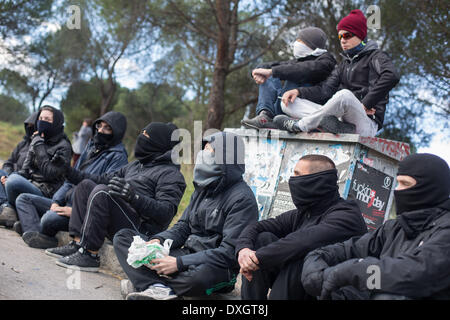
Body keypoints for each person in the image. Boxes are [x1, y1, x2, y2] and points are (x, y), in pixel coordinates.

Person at [114, 132, 258, 300]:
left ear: (224, 157)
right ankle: (158, 288)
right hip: (186, 254)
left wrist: (178, 264)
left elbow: (228, 253)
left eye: (208, 150)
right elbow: (183, 227)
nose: (202, 154)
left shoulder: (242, 199)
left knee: (199, 278)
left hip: (215, 269)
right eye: (203, 149)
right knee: (123, 238)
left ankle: (147, 284)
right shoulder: (204, 186)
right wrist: (159, 240)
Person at [301, 153, 450, 300]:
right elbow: (350, 249)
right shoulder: (394, 228)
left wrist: (349, 272)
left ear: (430, 189)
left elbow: (416, 275)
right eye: (397, 182)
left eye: (405, 184)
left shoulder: (445, 229)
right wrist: (316, 261)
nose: (397, 190)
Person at [45, 122, 186, 273]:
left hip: (140, 231)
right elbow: (101, 179)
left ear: (158, 143)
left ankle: (89, 255)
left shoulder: (171, 175)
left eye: (146, 136)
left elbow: (166, 212)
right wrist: (66, 169)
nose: (140, 138)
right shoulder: (135, 166)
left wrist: (134, 197)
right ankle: (78, 243)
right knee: (86, 185)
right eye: (141, 133)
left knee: (102, 192)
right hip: (121, 219)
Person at [236, 154, 367, 300]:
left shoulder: (346, 216)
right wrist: (244, 250)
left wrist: (256, 259)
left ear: (317, 181)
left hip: (337, 292)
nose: (291, 180)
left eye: (297, 175)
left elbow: (302, 242)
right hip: (308, 286)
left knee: (300, 257)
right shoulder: (305, 213)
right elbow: (257, 227)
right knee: (262, 239)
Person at [274, 9, 400, 136]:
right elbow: (324, 90)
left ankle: (300, 125)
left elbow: (391, 76)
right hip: (340, 121)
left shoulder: (376, 56)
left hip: (367, 123)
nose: (342, 40)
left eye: (347, 35)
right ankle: (337, 126)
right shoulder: (344, 64)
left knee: (344, 95)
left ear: (360, 35)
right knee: (288, 103)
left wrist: (367, 103)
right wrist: (298, 92)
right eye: (340, 36)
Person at [15, 111, 129, 249]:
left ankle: (32, 227)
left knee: (48, 219)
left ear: (116, 132)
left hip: (81, 211)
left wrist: (76, 210)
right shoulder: (91, 146)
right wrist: (56, 201)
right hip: (65, 202)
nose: (100, 130)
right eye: (99, 126)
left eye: (107, 128)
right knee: (23, 199)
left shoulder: (118, 157)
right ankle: (37, 233)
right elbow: (70, 179)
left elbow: (105, 191)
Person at [241, 27, 336, 129]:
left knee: (282, 73)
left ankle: (292, 121)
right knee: (269, 76)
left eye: (300, 41)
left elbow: (306, 70)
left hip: (302, 108)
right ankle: (265, 116)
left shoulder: (327, 61)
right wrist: (258, 71)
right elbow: (271, 66)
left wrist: (272, 71)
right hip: (284, 105)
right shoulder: (299, 61)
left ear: (311, 43)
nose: (296, 44)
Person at [0, 106, 72, 228]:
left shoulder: (64, 146)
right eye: (40, 118)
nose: (42, 122)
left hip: (46, 192)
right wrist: (10, 176)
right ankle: (9, 209)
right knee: (8, 177)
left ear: (56, 123)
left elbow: (50, 174)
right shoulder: (36, 139)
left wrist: (39, 146)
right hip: (30, 183)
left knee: (13, 181)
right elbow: (25, 170)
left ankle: (9, 210)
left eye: (47, 119)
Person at [0, 112, 38, 218]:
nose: (30, 129)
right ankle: (5, 206)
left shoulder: (40, 146)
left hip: (25, 181)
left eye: (33, 126)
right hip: (10, 176)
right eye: (28, 126)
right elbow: (8, 162)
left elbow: (32, 171)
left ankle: (7, 208)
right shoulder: (23, 144)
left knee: (12, 180)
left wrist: (12, 177)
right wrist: (7, 175)